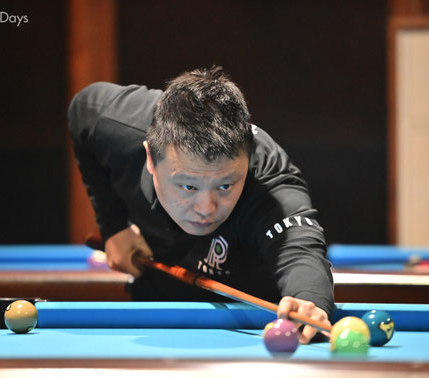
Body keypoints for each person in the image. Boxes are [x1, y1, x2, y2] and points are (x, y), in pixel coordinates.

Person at [68, 66, 334, 343]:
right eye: (188, 186)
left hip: (248, 324)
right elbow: (81, 109)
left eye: (225, 186)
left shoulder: (268, 179)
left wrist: (309, 299)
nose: (206, 209)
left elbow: (299, 248)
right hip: (156, 307)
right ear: (150, 158)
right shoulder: (119, 123)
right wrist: (113, 226)